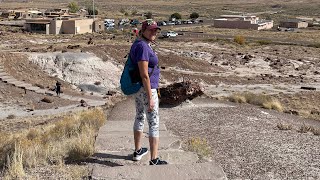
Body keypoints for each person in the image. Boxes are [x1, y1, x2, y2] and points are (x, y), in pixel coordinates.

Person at [129, 19, 167, 165]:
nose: (154, 32)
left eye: (156, 30)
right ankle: (154, 159)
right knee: (154, 122)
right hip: (147, 88)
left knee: (139, 116)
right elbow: (144, 74)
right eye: (151, 30)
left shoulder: (138, 44)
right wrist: (151, 97)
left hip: (138, 88)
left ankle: (138, 151)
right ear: (143, 30)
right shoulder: (143, 47)